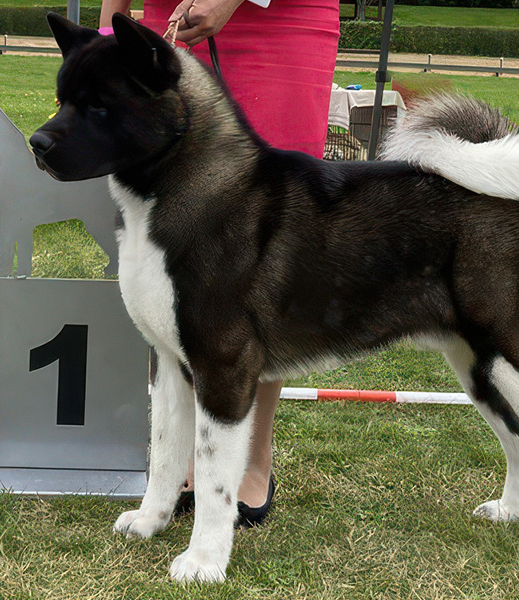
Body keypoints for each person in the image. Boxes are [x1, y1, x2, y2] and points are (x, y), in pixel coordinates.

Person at [98, 0, 340, 523]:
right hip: (165, 24)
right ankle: (183, 457)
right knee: (166, 254)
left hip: (281, 24)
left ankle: (251, 457)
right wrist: (107, 35)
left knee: (261, 252)